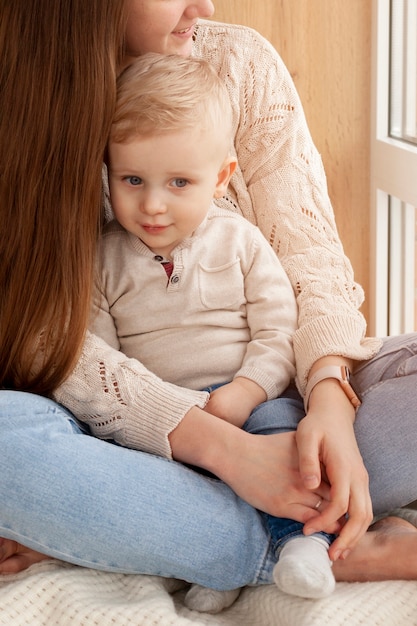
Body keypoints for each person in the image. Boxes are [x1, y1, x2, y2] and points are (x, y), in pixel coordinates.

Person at [2, 0, 417, 597]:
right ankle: (291, 546)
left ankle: (158, 532)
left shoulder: (243, 66)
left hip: (279, 402)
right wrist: (222, 450)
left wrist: (330, 400)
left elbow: (309, 262)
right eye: (131, 180)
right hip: (131, 432)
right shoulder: (20, 99)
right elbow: (52, 340)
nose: (207, 5)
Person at [89, 51, 336, 608]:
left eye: (179, 182)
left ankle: (304, 544)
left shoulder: (242, 242)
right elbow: (103, 361)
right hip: (162, 421)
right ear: (107, 171)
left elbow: (279, 332)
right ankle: (217, 562)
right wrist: (175, 413)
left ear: (220, 177)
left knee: (288, 439)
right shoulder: (102, 260)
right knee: (155, 478)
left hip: (253, 398)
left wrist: (245, 392)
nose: (152, 204)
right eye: (132, 179)